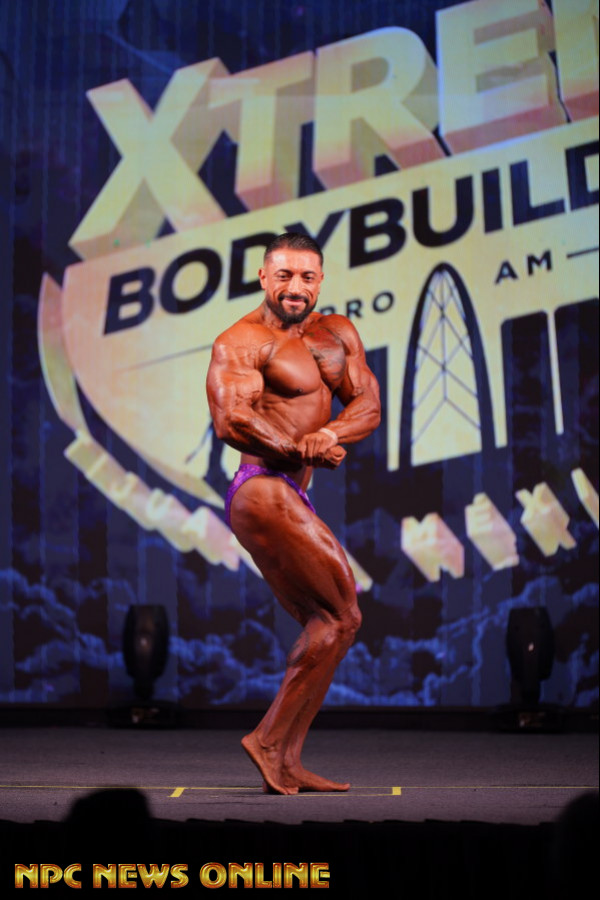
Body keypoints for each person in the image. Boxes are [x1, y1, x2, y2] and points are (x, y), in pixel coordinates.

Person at [206, 232, 380, 794]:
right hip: (261, 489)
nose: (295, 287)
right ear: (264, 278)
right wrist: (297, 448)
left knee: (330, 623)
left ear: (320, 281)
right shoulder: (241, 340)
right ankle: (267, 740)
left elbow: (368, 404)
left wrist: (328, 434)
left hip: (292, 490)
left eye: (306, 276)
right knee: (343, 615)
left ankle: (285, 758)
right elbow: (232, 420)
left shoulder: (337, 334)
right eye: (283, 275)